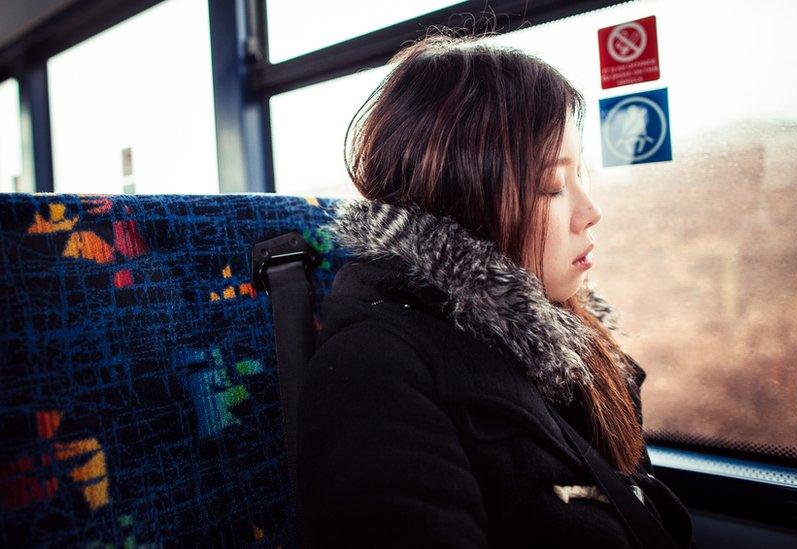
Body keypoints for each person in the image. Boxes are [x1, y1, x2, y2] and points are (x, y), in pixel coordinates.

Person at [296, 30, 697, 548]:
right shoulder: (372, 372)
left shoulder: (572, 337)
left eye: (583, 178)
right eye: (553, 187)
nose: (590, 212)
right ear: (464, 199)